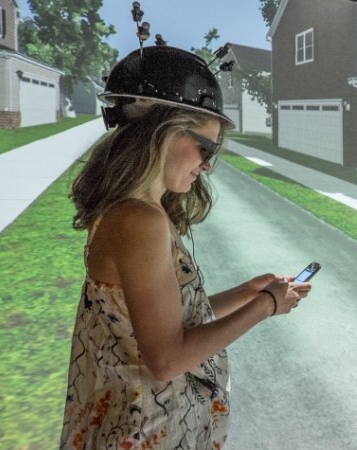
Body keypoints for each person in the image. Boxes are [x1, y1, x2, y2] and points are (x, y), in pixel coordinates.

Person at [60, 45, 311, 449]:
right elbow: (167, 358)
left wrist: (246, 293)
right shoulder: (139, 221)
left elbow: (159, 318)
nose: (208, 164)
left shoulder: (131, 213)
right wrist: (267, 306)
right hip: (148, 434)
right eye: (205, 148)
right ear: (164, 133)